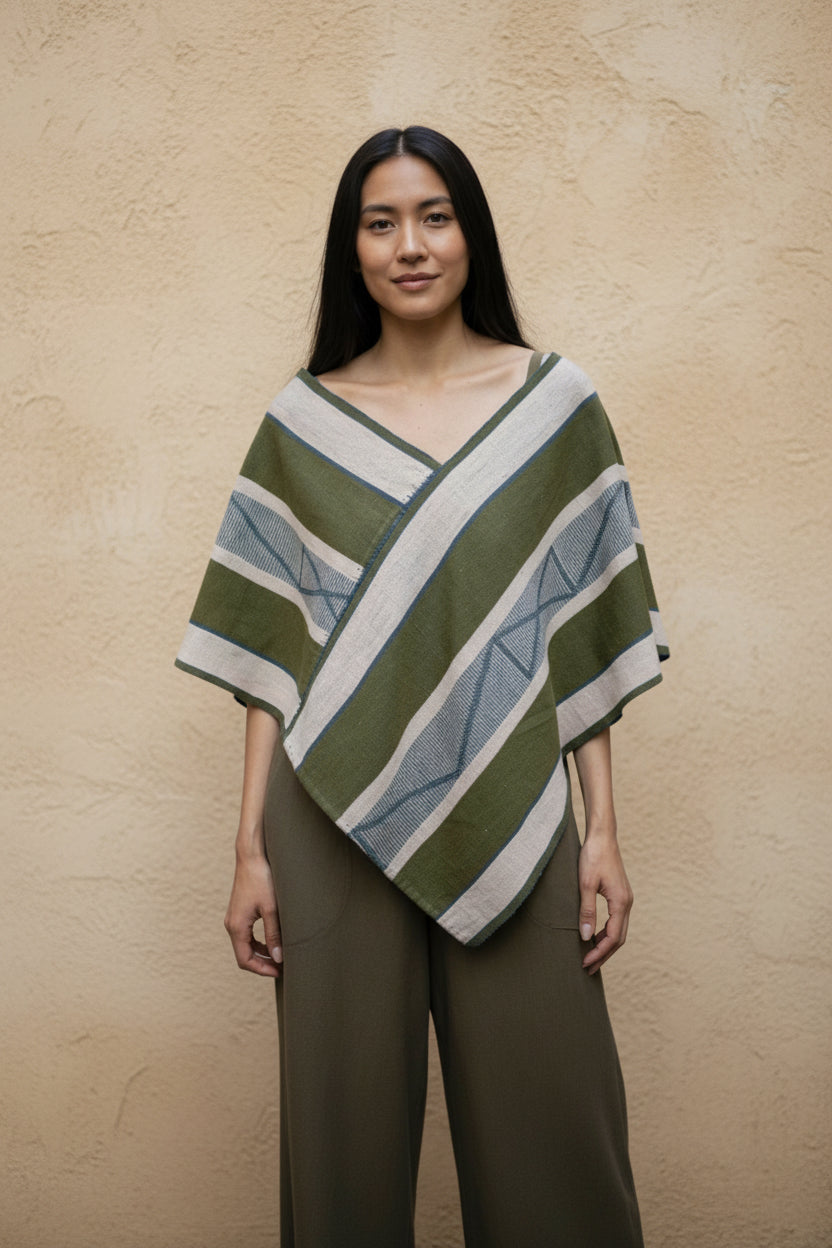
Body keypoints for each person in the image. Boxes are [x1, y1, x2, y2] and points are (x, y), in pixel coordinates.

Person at [176, 125, 669, 1248]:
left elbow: (579, 636)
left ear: (469, 232)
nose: (410, 244)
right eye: (380, 220)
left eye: (434, 215)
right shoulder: (300, 422)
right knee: (339, 1158)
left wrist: (602, 834)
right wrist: (250, 850)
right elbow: (267, 663)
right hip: (326, 814)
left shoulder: (553, 404)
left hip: (515, 795)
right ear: (351, 248)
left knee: (560, 1148)